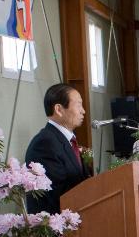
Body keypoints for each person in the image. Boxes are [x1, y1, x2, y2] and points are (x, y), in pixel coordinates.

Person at [25, 83, 92, 215]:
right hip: (56, 228)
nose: (83, 111)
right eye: (78, 105)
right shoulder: (45, 143)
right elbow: (58, 193)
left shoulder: (64, 139)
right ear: (59, 109)